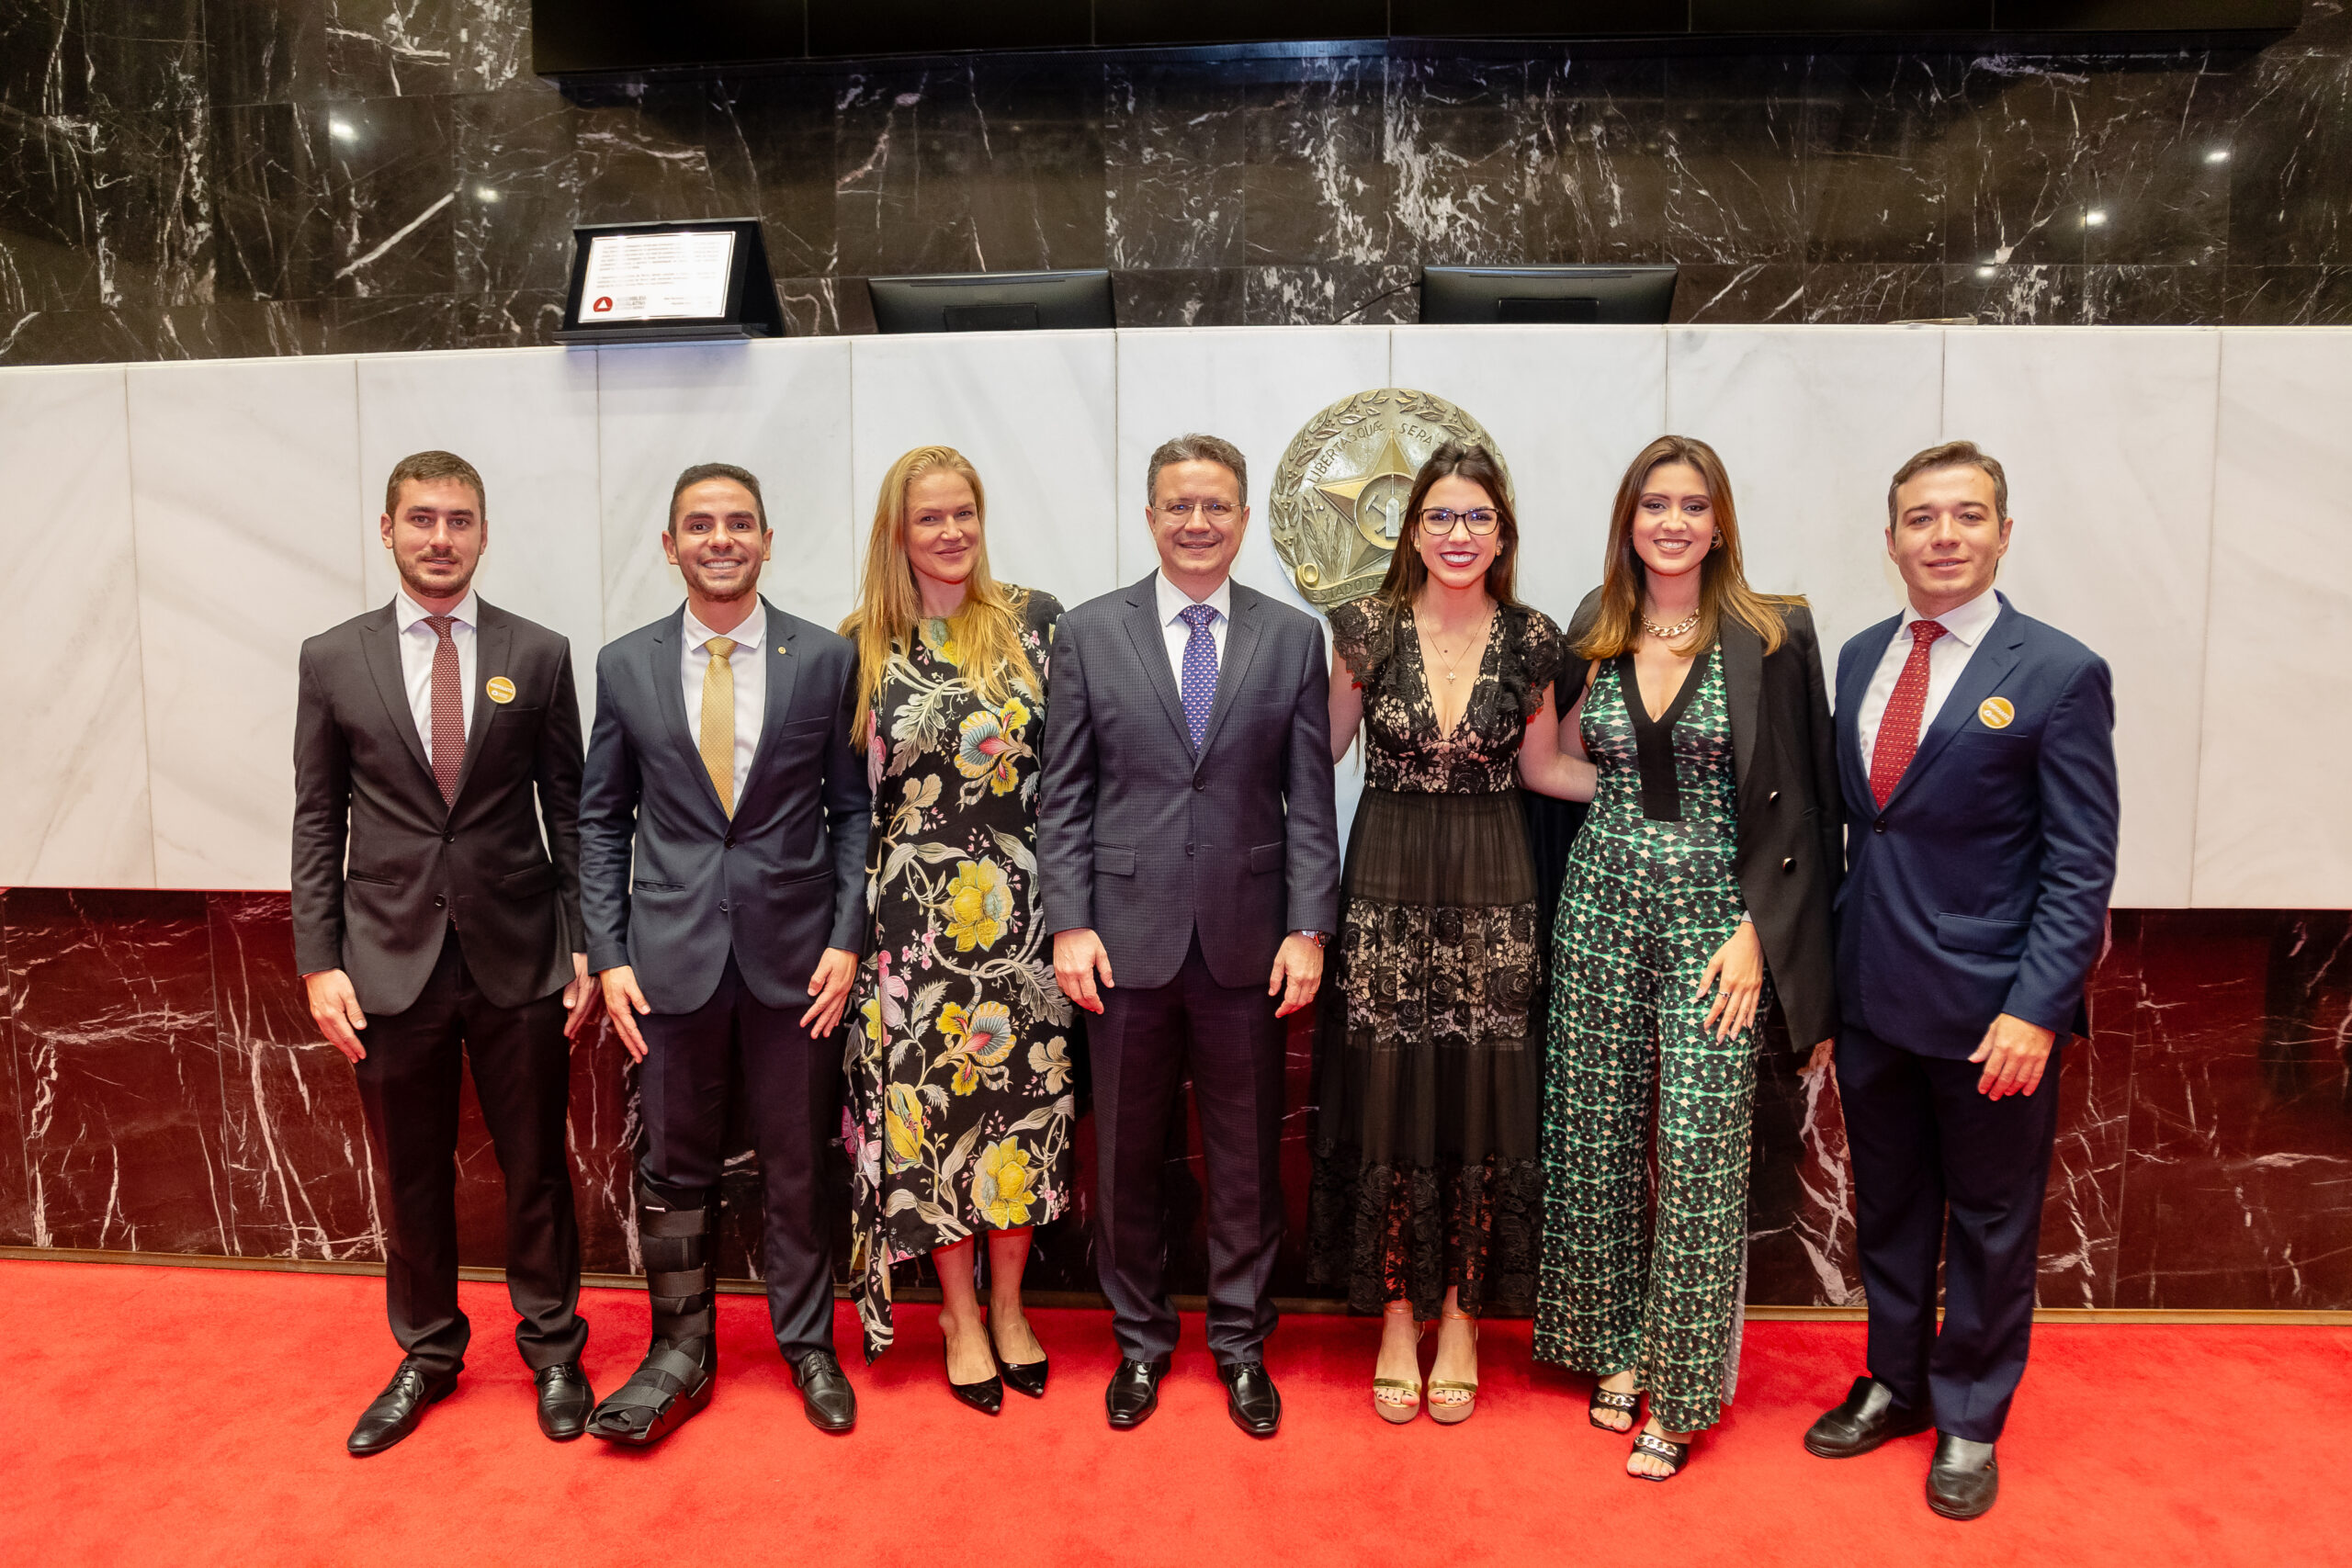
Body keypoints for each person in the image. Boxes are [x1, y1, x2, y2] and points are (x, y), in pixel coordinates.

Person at [1803, 440, 2117, 1521]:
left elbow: (2079, 865)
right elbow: (1865, 830)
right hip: (1872, 998)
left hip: (1993, 1015)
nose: (1944, 536)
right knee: (1889, 1207)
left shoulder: (2058, 672)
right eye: (1922, 518)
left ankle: (1971, 1415)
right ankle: (1894, 1383)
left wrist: (2036, 1008)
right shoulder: (1859, 657)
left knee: (1990, 1221)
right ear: (1890, 540)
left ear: (2003, 532)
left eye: (1967, 516)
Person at [1534, 435, 1841, 1481]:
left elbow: (1808, 802)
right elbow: (1559, 763)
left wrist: (1762, 932)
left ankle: (1683, 1389)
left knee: (1703, 1152)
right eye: (1655, 503)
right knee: (1596, 1138)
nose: (1673, 521)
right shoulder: (1597, 622)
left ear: (1719, 523)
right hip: (1602, 904)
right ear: (1628, 520)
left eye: (1693, 505)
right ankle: (1616, 1349)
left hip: (1721, 922)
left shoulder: (1773, 632)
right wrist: (1623, 803)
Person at [292, 450, 600, 1455]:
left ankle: (554, 1350)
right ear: (387, 529)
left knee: (536, 1167)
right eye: (421, 518)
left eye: (459, 520)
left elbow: (571, 812)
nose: (440, 537)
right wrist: (318, 961)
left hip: (523, 957)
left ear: (483, 533)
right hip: (385, 963)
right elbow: (317, 819)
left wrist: (587, 942)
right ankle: (427, 1352)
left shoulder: (539, 653)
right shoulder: (332, 658)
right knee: (411, 1174)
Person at [1039, 432, 1341, 1438]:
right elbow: (1065, 795)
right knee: (1125, 1158)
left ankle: (1242, 1345)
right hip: (1121, 943)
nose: (1197, 522)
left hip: (1250, 944)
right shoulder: (1090, 632)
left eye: (1216, 506)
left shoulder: (1291, 637)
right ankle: (1139, 1341)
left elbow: (1310, 796)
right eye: (1179, 505)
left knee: (1247, 1161)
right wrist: (1069, 920)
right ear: (1150, 517)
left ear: (1244, 520)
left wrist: (1309, 925)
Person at [578, 462, 872, 1442]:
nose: (720, 540)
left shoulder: (824, 659)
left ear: (766, 541)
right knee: (674, 1167)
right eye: (699, 525)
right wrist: (608, 953)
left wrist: (845, 937)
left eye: (739, 523)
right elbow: (601, 820)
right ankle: (680, 1348)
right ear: (670, 546)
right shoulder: (624, 664)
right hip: (666, 961)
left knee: (797, 1166)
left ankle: (809, 1347)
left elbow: (852, 812)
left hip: (799, 966)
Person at [1309, 442, 1593, 1426]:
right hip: (1384, 886)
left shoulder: (1535, 639)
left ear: (1502, 534)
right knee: (1388, 1092)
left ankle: (1464, 1314)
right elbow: (1320, 752)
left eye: (1477, 517)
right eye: (1440, 516)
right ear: (1413, 530)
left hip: (1493, 889)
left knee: (1481, 1097)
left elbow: (1546, 768)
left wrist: (1662, 796)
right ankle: (1397, 1312)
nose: (1458, 534)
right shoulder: (1363, 629)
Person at [840, 446, 1072, 1415]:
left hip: (1025, 924)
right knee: (933, 1122)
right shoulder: (860, 645)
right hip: (911, 932)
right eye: (928, 517)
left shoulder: (1036, 623)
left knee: (1019, 1117)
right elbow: (847, 809)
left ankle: (1011, 1307)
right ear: (897, 533)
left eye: (962, 513)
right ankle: (960, 1315)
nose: (949, 532)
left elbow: (1074, 777)